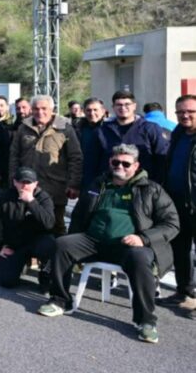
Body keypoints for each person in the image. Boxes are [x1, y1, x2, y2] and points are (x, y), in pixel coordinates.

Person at [38, 144, 179, 344]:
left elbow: (172, 223)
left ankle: (145, 320)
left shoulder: (151, 189)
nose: (120, 166)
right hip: (93, 241)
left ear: (136, 166)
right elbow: (78, 215)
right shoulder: (98, 184)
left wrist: (144, 238)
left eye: (126, 163)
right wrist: (75, 237)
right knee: (62, 244)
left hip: (130, 246)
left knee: (140, 258)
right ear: (110, 162)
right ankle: (59, 300)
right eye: (116, 162)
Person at [9, 95, 82, 236]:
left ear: (52, 109)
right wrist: (13, 179)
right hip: (27, 186)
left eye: (44, 108)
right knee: (27, 226)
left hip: (55, 186)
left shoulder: (65, 128)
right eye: (36, 109)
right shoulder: (23, 128)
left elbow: (75, 158)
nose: (40, 112)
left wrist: (74, 184)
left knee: (56, 225)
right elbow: (14, 156)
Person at [0, 167, 56, 289]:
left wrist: (31, 202)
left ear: (35, 184)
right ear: (14, 182)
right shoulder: (4, 197)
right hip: (14, 245)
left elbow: (49, 224)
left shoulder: (43, 198)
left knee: (50, 244)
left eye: (28, 183)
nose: (24, 186)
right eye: (21, 182)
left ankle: (45, 275)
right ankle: (20, 264)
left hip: (36, 242)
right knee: (6, 281)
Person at [160, 95, 196, 315]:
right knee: (180, 249)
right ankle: (184, 291)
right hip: (176, 202)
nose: (185, 115)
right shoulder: (178, 133)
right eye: (180, 112)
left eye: (190, 111)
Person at [96, 90, 169, 183]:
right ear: (113, 107)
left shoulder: (150, 129)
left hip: (144, 184)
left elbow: (162, 159)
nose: (123, 108)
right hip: (110, 185)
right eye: (119, 105)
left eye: (127, 104)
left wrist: (157, 183)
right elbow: (93, 160)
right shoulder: (102, 130)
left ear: (134, 106)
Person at [79, 98, 107, 192]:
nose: (92, 113)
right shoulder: (78, 129)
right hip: (84, 178)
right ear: (84, 111)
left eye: (95, 110)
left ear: (103, 111)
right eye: (89, 110)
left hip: (105, 178)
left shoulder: (110, 129)